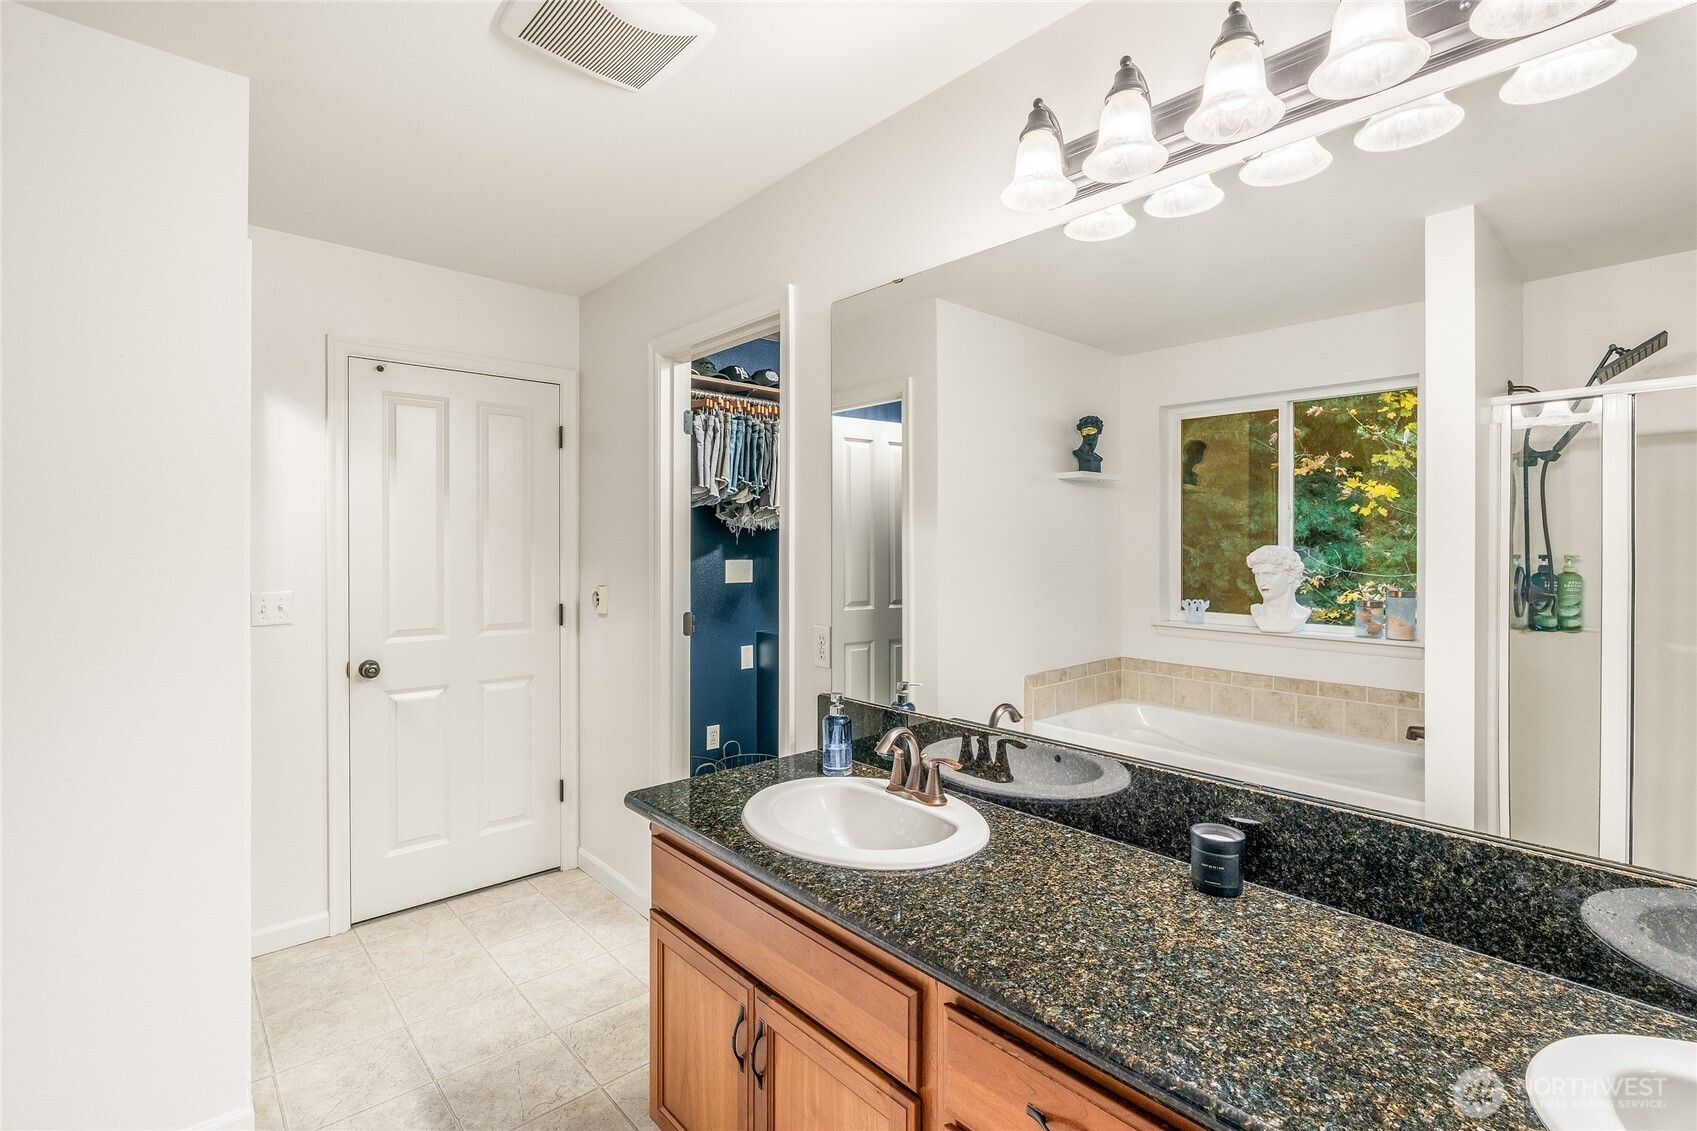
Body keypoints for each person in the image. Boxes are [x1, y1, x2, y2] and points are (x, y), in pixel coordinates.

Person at [1246, 544, 1312, 633]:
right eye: (1257, 575)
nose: (1261, 582)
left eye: (1269, 574)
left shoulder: (1301, 615)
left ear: (1290, 576)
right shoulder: (1257, 613)